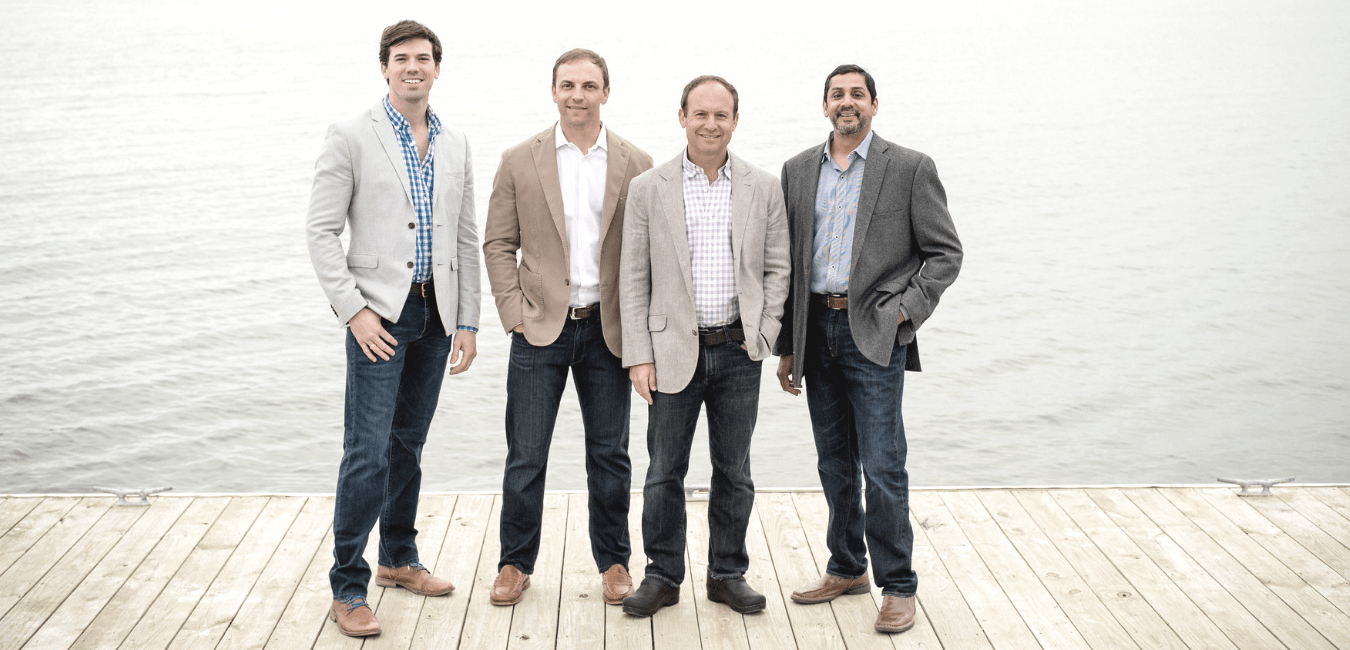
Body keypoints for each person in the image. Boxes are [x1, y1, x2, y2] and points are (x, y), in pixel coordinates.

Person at [305, 20, 480, 637]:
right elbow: (321, 232)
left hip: (436, 315)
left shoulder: (455, 141)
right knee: (366, 453)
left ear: (437, 68)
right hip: (378, 314)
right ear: (384, 68)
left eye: (423, 58)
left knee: (408, 445)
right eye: (401, 58)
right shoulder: (351, 135)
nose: (413, 67)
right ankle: (347, 588)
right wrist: (354, 311)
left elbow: (465, 236)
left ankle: (398, 559)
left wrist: (467, 319)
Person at [774, 64, 962, 634]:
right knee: (834, 462)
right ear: (824, 105)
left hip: (874, 333)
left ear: (874, 105)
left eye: (857, 94)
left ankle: (898, 584)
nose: (847, 102)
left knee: (882, 465)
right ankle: (847, 565)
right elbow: (789, 263)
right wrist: (788, 346)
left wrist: (905, 310)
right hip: (816, 333)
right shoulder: (798, 170)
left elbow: (945, 253)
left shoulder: (908, 168)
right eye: (838, 94)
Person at [481, 48, 653, 607]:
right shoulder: (518, 160)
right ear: (553, 91)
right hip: (538, 330)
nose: (577, 94)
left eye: (589, 85)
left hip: (607, 330)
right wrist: (512, 316)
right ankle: (514, 563)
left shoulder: (636, 162)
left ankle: (614, 561)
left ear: (606, 92)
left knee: (610, 454)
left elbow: (646, 253)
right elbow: (498, 244)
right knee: (526, 453)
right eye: (568, 85)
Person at [618, 75, 790, 617]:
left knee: (734, 470)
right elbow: (633, 277)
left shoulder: (763, 187)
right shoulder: (650, 187)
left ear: (735, 121)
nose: (710, 124)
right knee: (663, 470)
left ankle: (727, 573)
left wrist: (764, 332)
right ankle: (663, 575)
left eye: (721, 115)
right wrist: (638, 355)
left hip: (739, 351)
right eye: (701, 114)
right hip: (671, 353)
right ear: (682, 117)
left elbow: (778, 266)